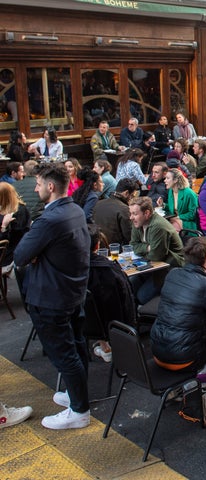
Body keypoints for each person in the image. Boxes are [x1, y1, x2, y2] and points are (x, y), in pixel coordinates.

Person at [14, 163, 91, 430]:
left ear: (50, 186)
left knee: (64, 354)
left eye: (37, 184)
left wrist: (37, 250)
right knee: (77, 347)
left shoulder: (48, 220)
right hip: (72, 292)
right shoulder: (75, 210)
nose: (34, 189)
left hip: (51, 297)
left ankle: (79, 410)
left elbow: (20, 255)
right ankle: (76, 395)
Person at [151, 236, 206, 426]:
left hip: (158, 351)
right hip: (183, 359)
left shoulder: (172, 274)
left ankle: (184, 387)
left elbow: (190, 286)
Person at [86, 224, 136, 363]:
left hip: (84, 322)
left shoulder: (70, 269)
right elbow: (126, 298)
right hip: (115, 323)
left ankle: (104, 346)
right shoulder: (110, 270)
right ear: (97, 245)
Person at [129, 196, 185, 304]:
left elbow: (155, 256)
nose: (131, 217)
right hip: (151, 266)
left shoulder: (158, 226)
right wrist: (148, 247)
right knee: (129, 286)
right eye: (130, 213)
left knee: (142, 296)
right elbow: (133, 245)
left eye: (134, 214)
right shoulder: (137, 223)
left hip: (170, 266)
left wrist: (144, 249)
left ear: (147, 213)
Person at [93, 178, 137, 246]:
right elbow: (130, 236)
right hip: (115, 249)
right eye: (132, 196)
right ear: (126, 193)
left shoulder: (98, 203)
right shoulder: (124, 209)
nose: (132, 199)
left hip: (97, 246)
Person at [0, 182, 31, 272]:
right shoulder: (18, 209)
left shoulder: (18, 213)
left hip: (9, 254)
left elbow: (9, 241)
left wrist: (4, 227)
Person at [160, 167, 199, 232]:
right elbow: (173, 207)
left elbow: (193, 214)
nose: (165, 180)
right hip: (174, 219)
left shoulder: (189, 193)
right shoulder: (171, 191)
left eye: (168, 178)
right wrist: (163, 205)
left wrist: (178, 217)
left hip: (187, 222)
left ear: (175, 180)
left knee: (166, 230)